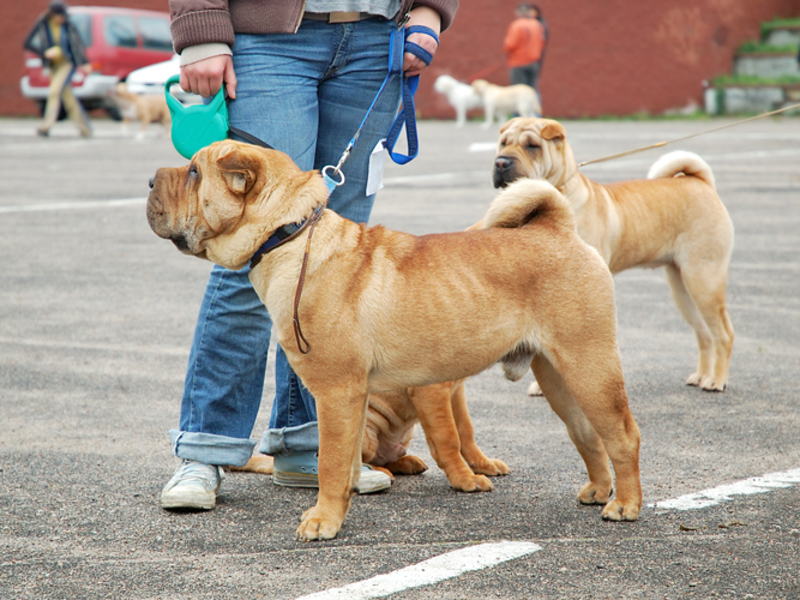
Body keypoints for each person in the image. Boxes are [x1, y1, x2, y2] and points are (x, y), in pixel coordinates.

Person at [159, 0, 458, 511]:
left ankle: (305, 445)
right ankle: (206, 449)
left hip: (377, 39)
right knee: (252, 245)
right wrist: (200, 31)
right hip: (269, 41)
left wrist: (430, 11)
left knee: (341, 267)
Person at [23, 0, 92, 138]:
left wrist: (84, 62)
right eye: (59, 15)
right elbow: (27, 43)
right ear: (52, 14)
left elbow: (77, 44)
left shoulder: (68, 25)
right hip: (53, 65)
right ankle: (85, 129)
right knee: (68, 97)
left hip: (67, 63)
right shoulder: (43, 24)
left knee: (54, 92)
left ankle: (46, 126)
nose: (62, 18)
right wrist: (45, 53)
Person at [503, 3, 546, 95]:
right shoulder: (538, 25)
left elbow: (509, 44)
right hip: (534, 61)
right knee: (532, 89)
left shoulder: (517, 25)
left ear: (519, 13)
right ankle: (534, 109)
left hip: (519, 62)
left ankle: (519, 109)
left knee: (519, 91)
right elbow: (542, 43)